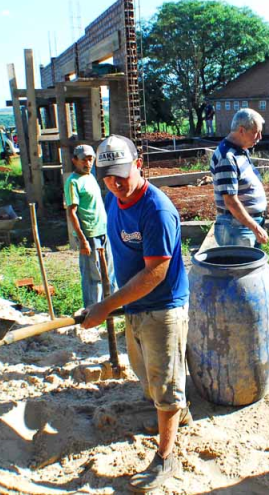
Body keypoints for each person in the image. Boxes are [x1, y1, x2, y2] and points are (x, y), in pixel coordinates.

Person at [80, 135, 190, 493]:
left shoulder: (155, 209)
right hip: (134, 305)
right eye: (107, 176)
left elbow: (156, 272)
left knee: (166, 385)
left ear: (138, 165)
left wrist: (106, 305)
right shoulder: (114, 199)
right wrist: (111, 302)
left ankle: (166, 456)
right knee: (148, 375)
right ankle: (175, 415)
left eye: (121, 175)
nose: (114, 184)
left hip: (162, 309)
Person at [64, 144, 116, 308]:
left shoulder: (90, 177)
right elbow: (72, 212)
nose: (88, 163)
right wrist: (82, 239)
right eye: (84, 160)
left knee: (110, 272)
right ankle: (93, 310)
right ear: (74, 160)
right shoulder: (73, 182)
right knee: (93, 277)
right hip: (90, 235)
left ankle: (113, 307)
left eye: (90, 159)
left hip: (103, 231)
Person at [209, 108, 269, 247]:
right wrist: (255, 227)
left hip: (243, 227)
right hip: (236, 228)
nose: (260, 137)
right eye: (256, 132)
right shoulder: (227, 157)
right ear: (242, 130)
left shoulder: (240, 151)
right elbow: (230, 201)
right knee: (241, 268)